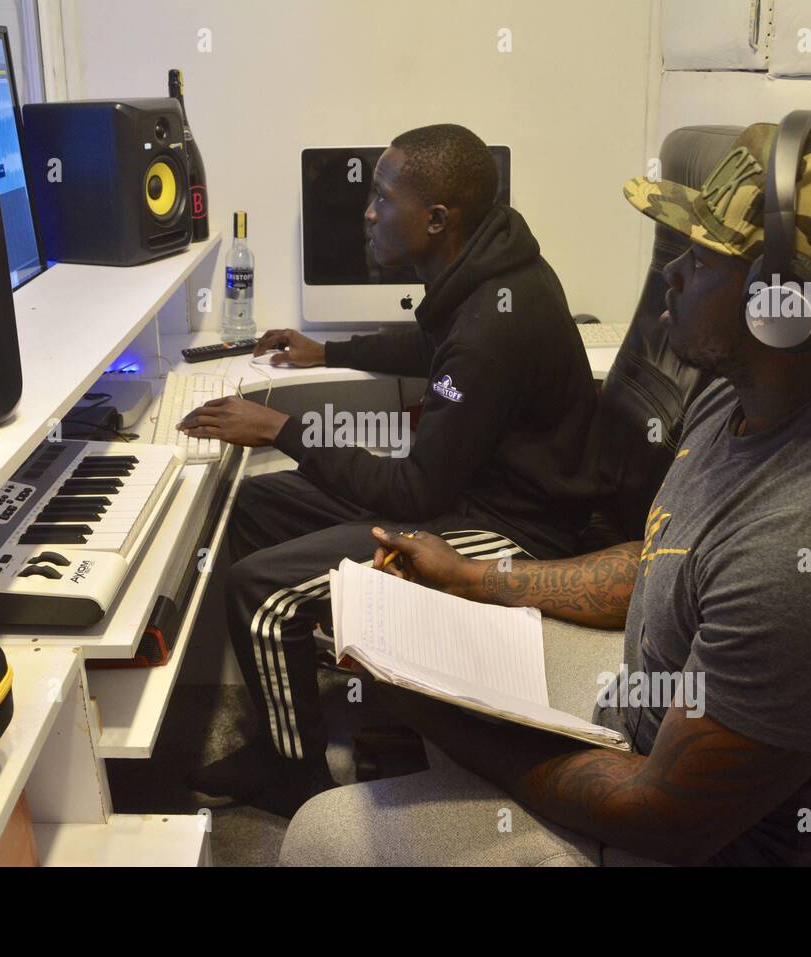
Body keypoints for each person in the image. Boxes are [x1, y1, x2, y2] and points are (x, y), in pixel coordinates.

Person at [281, 118, 811, 865]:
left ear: (783, 311)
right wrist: (476, 578)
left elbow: (662, 815)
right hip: (642, 705)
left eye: (702, 260)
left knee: (325, 837)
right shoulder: (752, 395)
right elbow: (668, 556)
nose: (670, 276)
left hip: (707, 841)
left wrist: (440, 715)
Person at [177, 124, 599, 814]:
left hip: (514, 530)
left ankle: (297, 784)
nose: (368, 213)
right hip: (464, 493)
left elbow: (417, 489)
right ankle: (290, 730)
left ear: (435, 219)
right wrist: (329, 351)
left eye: (381, 197)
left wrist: (284, 427)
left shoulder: (494, 327)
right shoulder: (487, 272)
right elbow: (436, 345)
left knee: (260, 592)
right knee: (257, 507)